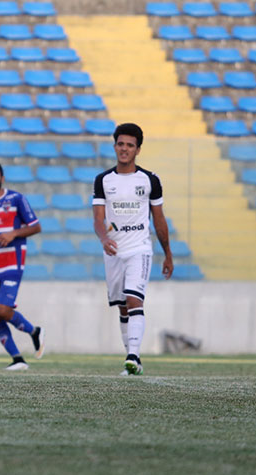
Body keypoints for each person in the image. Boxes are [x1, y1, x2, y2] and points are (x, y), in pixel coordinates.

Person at [92, 123, 173, 376]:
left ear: (138, 149)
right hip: (114, 252)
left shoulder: (149, 180)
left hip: (140, 248)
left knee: (134, 298)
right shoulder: (103, 180)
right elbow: (97, 218)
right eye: (120, 144)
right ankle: (133, 363)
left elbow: (159, 219)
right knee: (123, 306)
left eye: (130, 145)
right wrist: (104, 238)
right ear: (115, 146)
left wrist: (168, 253)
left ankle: (132, 355)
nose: (124, 149)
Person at [0, 161, 45, 370]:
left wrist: (14, 233)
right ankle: (17, 358)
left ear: (2, 178)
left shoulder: (16, 199)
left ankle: (33, 331)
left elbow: (35, 227)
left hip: (11, 263)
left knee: (2, 308)